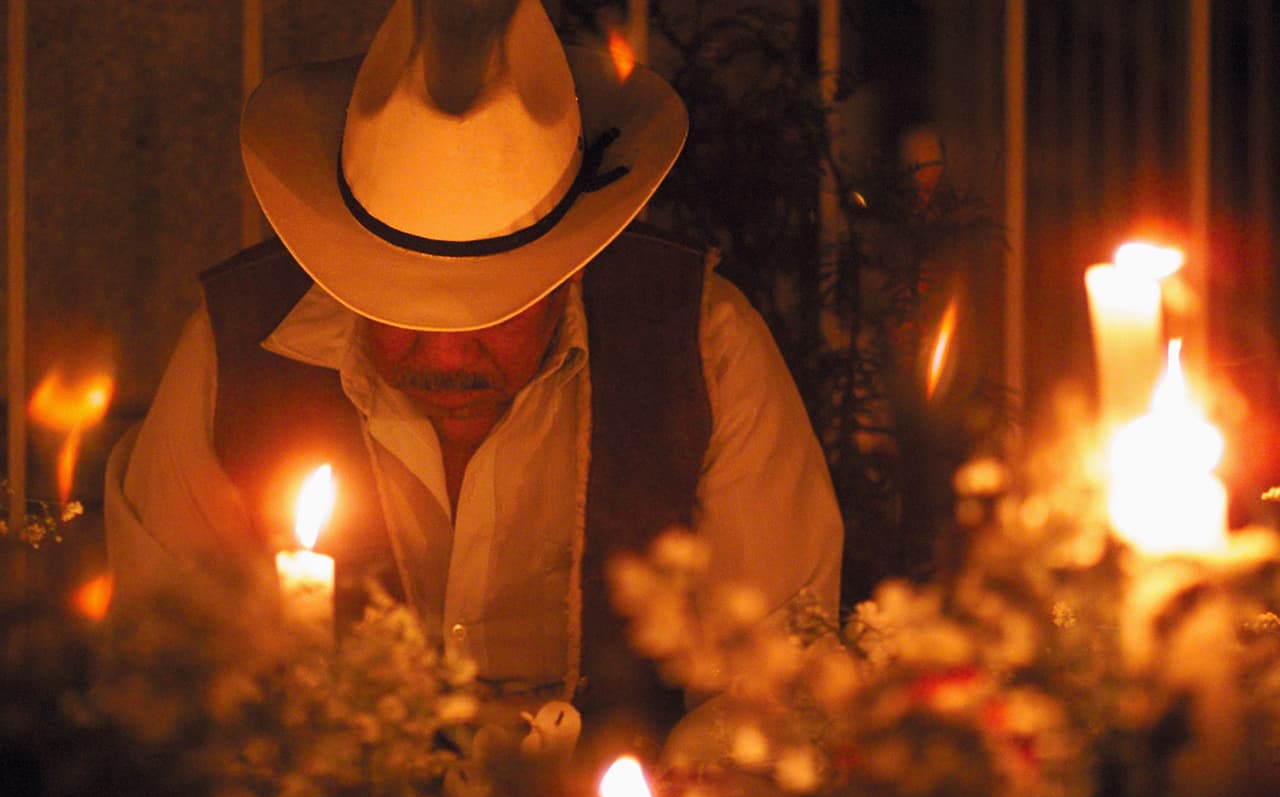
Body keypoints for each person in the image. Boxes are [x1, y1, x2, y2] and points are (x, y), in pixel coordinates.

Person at [104, 0, 841, 746]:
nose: (448, 356)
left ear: (572, 265)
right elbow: (164, 678)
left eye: (498, 306)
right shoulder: (235, 351)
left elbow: (777, 682)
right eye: (398, 303)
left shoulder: (703, 346)